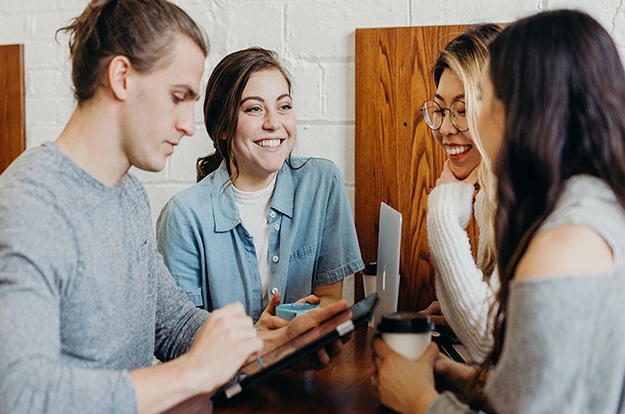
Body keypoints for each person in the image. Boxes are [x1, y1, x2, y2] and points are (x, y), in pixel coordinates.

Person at [0, 2, 349, 413]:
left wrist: (274, 348)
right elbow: (19, 393)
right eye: (178, 96)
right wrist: (192, 374)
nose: (188, 123)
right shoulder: (28, 205)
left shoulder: (127, 194)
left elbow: (175, 325)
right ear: (122, 77)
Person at [373, 9, 625, 413]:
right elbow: (547, 387)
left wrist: (420, 400)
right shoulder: (591, 207)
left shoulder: (565, 242)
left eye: (483, 97)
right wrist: (467, 380)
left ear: (527, 110)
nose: (452, 125)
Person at [156, 47, 364, 327]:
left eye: (284, 107)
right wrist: (261, 339)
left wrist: (304, 322)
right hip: (228, 371)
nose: (273, 123)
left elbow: (329, 298)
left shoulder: (322, 183)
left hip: (306, 364)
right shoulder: (183, 216)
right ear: (223, 128)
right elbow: (182, 334)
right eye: (254, 109)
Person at [421, 23, 501, 362]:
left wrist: (442, 213)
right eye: (439, 110)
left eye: (463, 109)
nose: (446, 128)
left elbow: (490, 343)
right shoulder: (490, 195)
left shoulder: (529, 200)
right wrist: (456, 315)